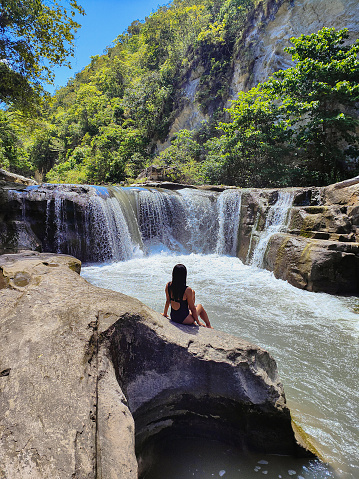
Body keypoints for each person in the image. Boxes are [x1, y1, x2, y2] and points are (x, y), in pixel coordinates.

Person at [162, 264, 212, 328]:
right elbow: (193, 308)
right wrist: (198, 322)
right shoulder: (187, 290)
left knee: (193, 292)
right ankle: (209, 325)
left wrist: (165, 314)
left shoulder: (168, 286)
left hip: (174, 317)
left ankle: (192, 317)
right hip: (185, 319)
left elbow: (168, 301)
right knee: (200, 306)